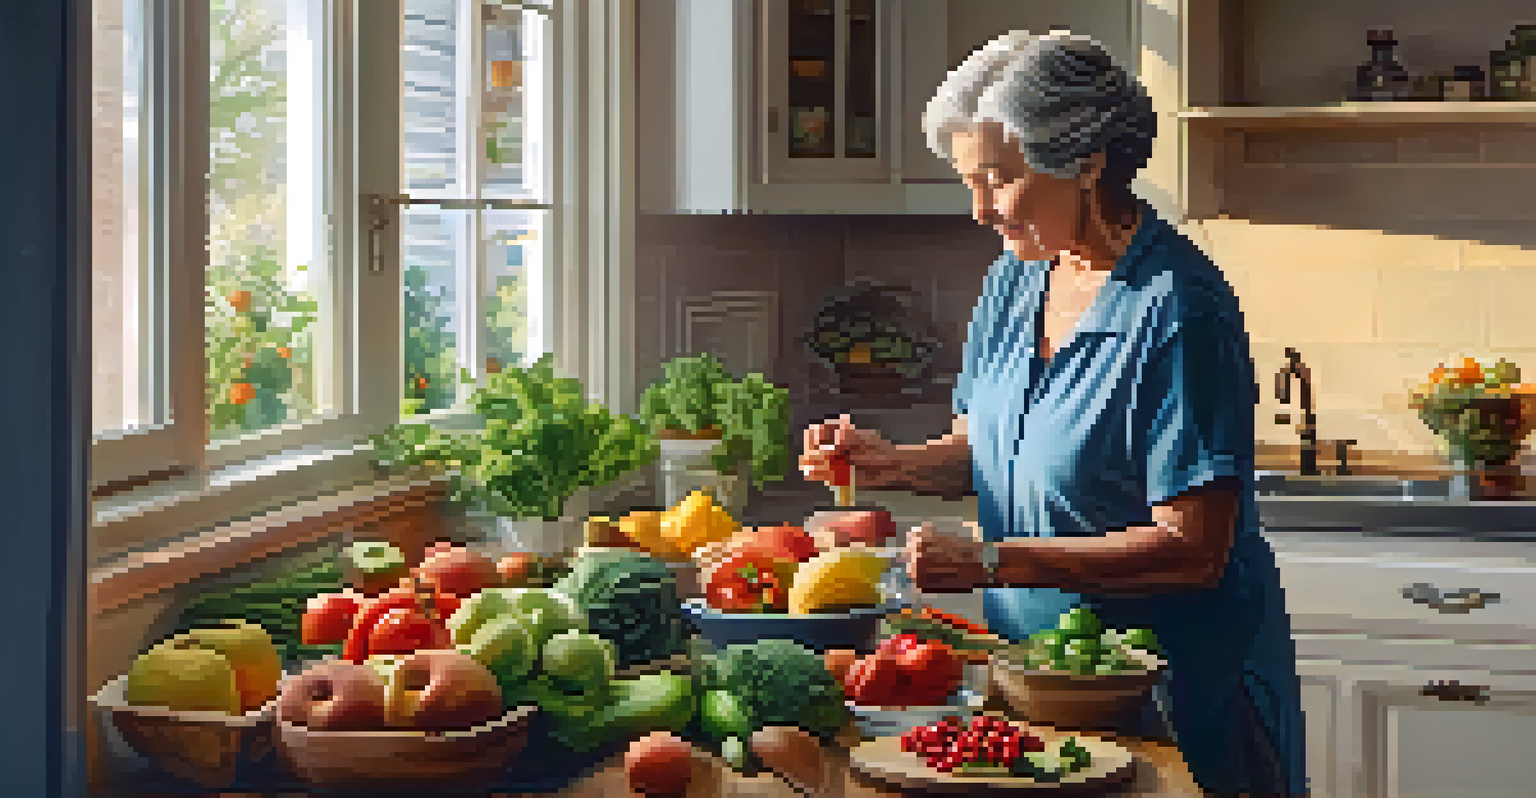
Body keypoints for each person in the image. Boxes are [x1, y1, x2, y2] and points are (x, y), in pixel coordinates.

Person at [799, 31, 1307, 796]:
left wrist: (995, 560)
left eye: (999, 179)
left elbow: (1193, 548)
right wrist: (891, 462)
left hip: (1167, 697)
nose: (979, 210)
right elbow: (987, 446)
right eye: (970, 181)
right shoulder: (1017, 277)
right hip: (1038, 686)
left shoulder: (1178, 308)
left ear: (1088, 161)